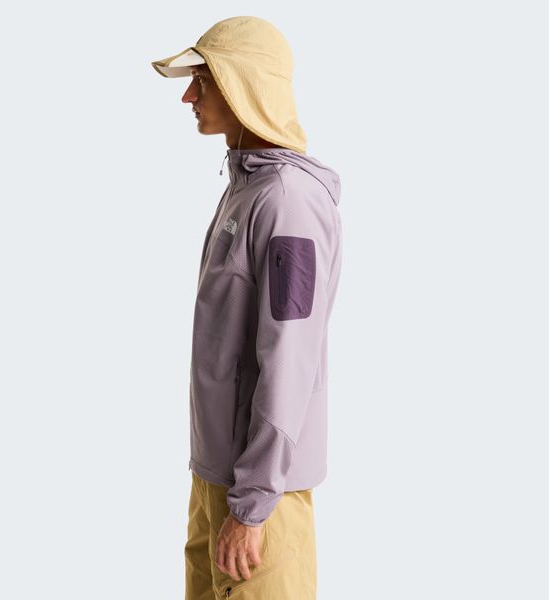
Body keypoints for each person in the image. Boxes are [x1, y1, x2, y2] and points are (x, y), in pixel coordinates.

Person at [152, 15, 342, 599]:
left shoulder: (287, 202)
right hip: (216, 481)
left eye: (202, 81)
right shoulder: (247, 189)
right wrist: (217, 490)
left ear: (243, 84)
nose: (188, 97)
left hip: (260, 503)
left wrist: (253, 503)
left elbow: (290, 359)